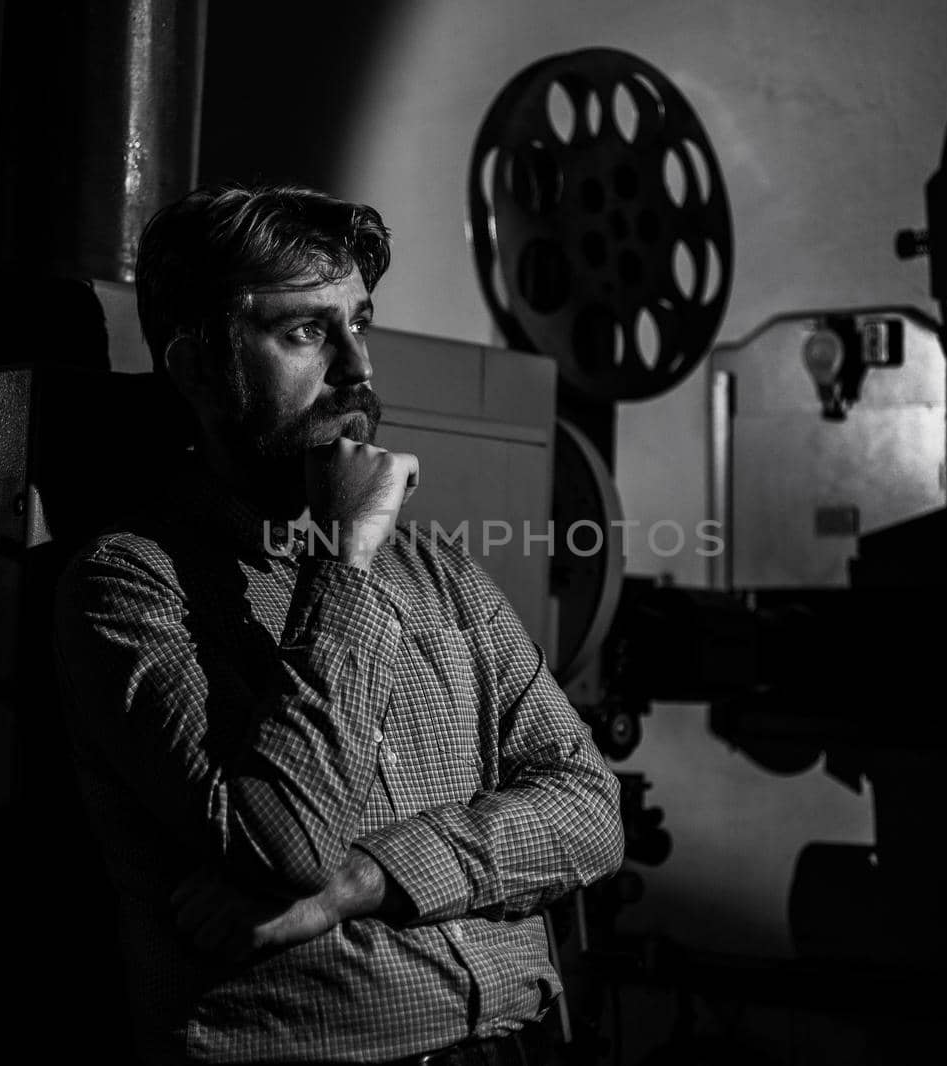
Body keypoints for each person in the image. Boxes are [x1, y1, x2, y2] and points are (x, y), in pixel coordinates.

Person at [52, 183, 624, 1065]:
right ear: (200, 368)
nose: (358, 367)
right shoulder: (130, 585)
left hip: (517, 1045)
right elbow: (282, 843)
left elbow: (589, 808)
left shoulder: (440, 571)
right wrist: (348, 560)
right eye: (306, 331)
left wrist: (360, 882)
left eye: (361, 322)